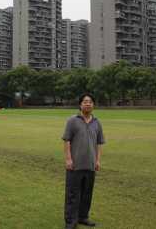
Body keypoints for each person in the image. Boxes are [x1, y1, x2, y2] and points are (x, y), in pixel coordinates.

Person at [62, 93, 105, 229]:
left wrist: (98, 160)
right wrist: (68, 159)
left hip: (91, 165)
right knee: (73, 194)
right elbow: (67, 140)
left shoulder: (97, 122)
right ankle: (71, 222)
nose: (88, 104)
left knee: (87, 194)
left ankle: (83, 217)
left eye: (90, 102)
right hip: (75, 165)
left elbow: (99, 143)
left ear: (93, 105)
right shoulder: (72, 120)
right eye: (85, 102)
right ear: (80, 105)